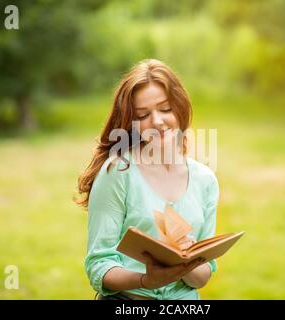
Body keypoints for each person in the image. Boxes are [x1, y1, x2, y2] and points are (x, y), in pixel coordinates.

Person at [76, 59, 219, 300]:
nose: (158, 122)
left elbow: (204, 275)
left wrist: (187, 261)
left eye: (165, 109)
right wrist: (145, 280)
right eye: (143, 115)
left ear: (180, 107)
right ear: (132, 122)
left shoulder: (205, 180)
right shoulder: (119, 172)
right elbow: (98, 265)